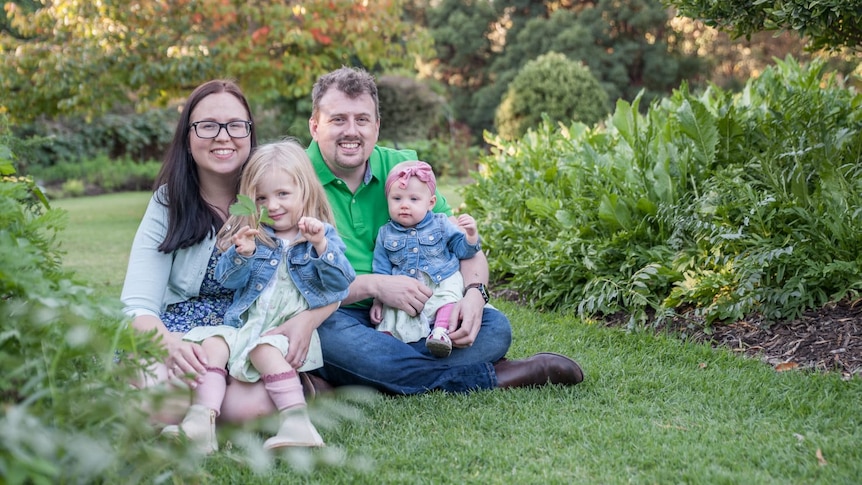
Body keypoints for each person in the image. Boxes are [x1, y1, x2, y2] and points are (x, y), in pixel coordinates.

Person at [302, 66, 585, 394]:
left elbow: (465, 248)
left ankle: (349, 378)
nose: (351, 131)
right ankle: (502, 376)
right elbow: (297, 285)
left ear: (377, 127)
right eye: (338, 119)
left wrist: (474, 295)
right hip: (338, 316)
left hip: (419, 316)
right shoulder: (294, 177)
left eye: (362, 120)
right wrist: (374, 285)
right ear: (315, 125)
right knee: (323, 336)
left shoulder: (405, 169)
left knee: (495, 329)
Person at [120, 80, 337, 427]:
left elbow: (332, 272)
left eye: (236, 125)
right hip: (180, 333)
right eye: (207, 126)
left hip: (247, 334)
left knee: (250, 412)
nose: (223, 136)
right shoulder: (168, 202)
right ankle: (173, 393)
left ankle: (223, 401)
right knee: (162, 403)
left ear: (250, 132)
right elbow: (137, 304)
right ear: (187, 137)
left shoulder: (276, 199)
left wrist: (307, 321)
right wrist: (169, 345)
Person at [159, 140, 355, 453]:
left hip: (284, 331)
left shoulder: (319, 236)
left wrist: (320, 246)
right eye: (261, 198)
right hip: (247, 327)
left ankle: (298, 423)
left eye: (282, 195)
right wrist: (241, 254)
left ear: (305, 191)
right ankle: (200, 421)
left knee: (264, 350)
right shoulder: (257, 237)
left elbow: (341, 284)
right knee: (212, 345)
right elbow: (228, 280)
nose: (272, 205)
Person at [370, 161, 481, 358]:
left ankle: (440, 332)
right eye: (397, 198)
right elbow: (381, 271)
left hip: (440, 279)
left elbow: (462, 250)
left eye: (414, 199)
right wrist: (378, 300)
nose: (404, 205)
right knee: (394, 311)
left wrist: (471, 236)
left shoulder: (441, 223)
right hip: (405, 287)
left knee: (449, 295)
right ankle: (390, 342)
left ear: (430, 203)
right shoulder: (385, 233)